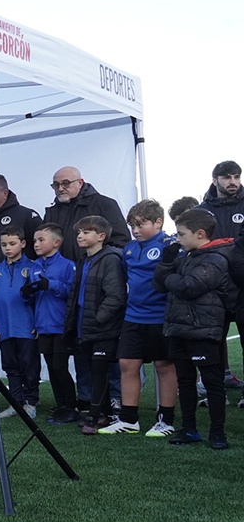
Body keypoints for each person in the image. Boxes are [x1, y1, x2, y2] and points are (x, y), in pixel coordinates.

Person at [155, 209, 237, 449]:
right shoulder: (184, 257)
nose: (177, 239)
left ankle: (217, 433)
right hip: (179, 329)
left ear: (200, 234)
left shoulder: (216, 258)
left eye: (181, 234)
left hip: (203, 330)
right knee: (185, 382)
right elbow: (159, 283)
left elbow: (189, 287)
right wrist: (167, 262)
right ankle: (189, 429)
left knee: (212, 383)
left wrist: (170, 278)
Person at [98, 201, 178, 437]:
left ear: (158, 223)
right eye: (132, 225)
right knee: (127, 364)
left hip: (161, 316)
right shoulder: (130, 249)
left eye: (141, 224)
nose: (135, 229)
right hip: (133, 316)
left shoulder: (170, 246)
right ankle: (129, 419)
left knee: (164, 366)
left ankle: (166, 420)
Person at [65, 216, 127, 435]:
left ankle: (93, 416)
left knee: (100, 370)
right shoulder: (84, 259)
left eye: (86, 232)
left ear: (101, 237)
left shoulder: (110, 258)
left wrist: (99, 318)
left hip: (102, 327)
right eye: (79, 232)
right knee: (93, 370)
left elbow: (116, 295)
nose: (80, 235)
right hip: (85, 325)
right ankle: (104, 414)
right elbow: (76, 293)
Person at [192, 161, 244, 391]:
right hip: (214, 283)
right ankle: (219, 379)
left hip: (242, 282)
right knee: (214, 336)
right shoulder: (202, 210)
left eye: (236, 177)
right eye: (227, 177)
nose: (232, 182)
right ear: (215, 180)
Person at [24, 223, 79, 424]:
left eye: (41, 240)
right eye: (35, 240)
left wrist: (51, 285)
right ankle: (61, 405)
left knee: (60, 366)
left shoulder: (67, 265)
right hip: (43, 325)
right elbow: (33, 297)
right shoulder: (34, 266)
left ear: (57, 242)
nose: (36, 244)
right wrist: (27, 294)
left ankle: (71, 406)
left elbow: (71, 293)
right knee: (51, 366)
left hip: (60, 324)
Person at [0, 227, 40, 418]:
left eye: (12, 243)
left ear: (23, 244)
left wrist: (37, 323)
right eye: (3, 244)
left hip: (26, 328)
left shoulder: (33, 267)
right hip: (4, 328)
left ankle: (31, 402)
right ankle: (15, 404)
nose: (7, 248)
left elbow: (39, 299)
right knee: (11, 367)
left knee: (29, 367)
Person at [42, 166, 130, 263]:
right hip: (61, 273)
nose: (60, 188)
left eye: (66, 183)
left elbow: (120, 240)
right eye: (56, 185)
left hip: (95, 270)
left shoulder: (104, 205)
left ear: (80, 183)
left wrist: (103, 264)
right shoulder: (52, 211)